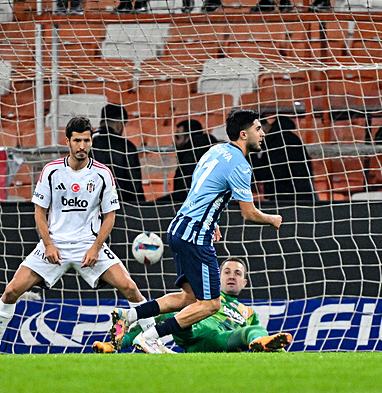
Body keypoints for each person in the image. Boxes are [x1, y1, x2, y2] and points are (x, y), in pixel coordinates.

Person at [109, 109, 283, 353]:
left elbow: (203, 188)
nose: (262, 133)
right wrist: (272, 219)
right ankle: (149, 337)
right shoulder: (241, 165)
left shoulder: (216, 150)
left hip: (180, 227)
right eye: (258, 128)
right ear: (244, 134)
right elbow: (249, 213)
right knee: (211, 304)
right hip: (196, 237)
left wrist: (214, 221)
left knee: (189, 298)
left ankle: (130, 315)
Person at [0, 117, 147, 355]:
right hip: (55, 245)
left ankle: (150, 340)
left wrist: (96, 248)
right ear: (68, 141)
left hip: (88, 245)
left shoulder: (102, 174)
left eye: (87, 140)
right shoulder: (52, 171)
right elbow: (39, 212)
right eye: (77, 140)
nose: (82, 146)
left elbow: (110, 216)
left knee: (130, 287)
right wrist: (48, 245)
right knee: (12, 291)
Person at [93, 257, 292, 353]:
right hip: (190, 329)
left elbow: (250, 330)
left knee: (253, 330)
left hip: (218, 339)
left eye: (238, 273)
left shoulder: (248, 312)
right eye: (227, 272)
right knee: (165, 316)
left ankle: (267, 346)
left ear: (245, 282)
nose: (232, 276)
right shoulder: (205, 296)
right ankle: (114, 344)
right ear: (218, 277)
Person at [249, 115, 316, 202]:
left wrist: (252, 157)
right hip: (297, 193)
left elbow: (273, 172)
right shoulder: (283, 139)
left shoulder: (279, 142)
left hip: (289, 196)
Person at [90, 103, 145, 203]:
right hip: (120, 206)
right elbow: (134, 183)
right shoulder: (126, 146)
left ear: (102, 121)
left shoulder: (84, 143)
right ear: (120, 124)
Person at [168, 119, 219, 203]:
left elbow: (182, 193)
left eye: (177, 137)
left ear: (188, 137)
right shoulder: (212, 150)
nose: (174, 142)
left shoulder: (189, 158)